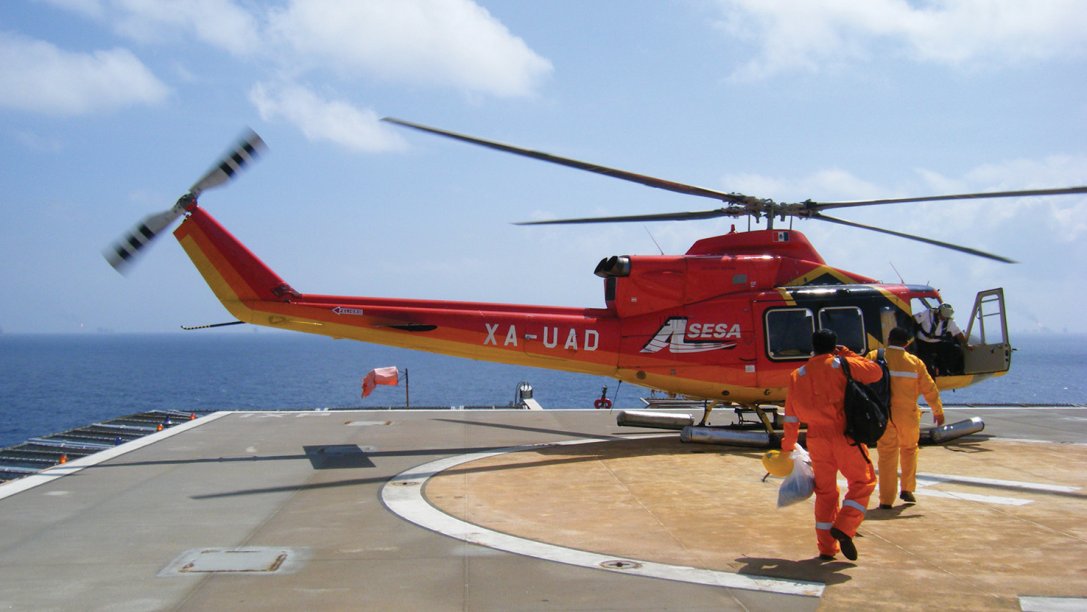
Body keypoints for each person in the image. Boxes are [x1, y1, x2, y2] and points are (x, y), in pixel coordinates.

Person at [781, 329, 885, 561]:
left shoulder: (797, 374)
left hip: (816, 440)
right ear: (833, 346)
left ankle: (827, 548)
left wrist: (788, 447)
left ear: (813, 346)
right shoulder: (843, 365)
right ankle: (845, 526)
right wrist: (848, 354)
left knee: (825, 492)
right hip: (844, 435)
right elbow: (876, 373)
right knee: (863, 481)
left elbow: (790, 416)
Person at [867, 327, 945, 508]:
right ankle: (907, 488)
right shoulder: (914, 362)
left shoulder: (874, 356)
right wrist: (938, 411)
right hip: (908, 416)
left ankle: (886, 500)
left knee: (887, 456)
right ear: (907, 343)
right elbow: (929, 389)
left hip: (884, 415)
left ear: (888, 339)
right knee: (909, 450)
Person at [913, 303, 967, 375]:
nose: (944, 318)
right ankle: (929, 376)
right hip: (922, 343)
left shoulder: (949, 322)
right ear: (939, 311)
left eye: (946, 316)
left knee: (956, 350)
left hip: (937, 343)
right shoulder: (927, 314)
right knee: (926, 361)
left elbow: (958, 333)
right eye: (943, 315)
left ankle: (957, 371)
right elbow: (914, 319)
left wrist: (966, 344)